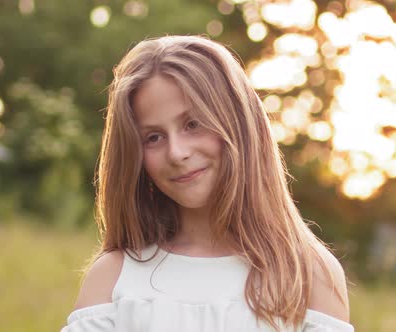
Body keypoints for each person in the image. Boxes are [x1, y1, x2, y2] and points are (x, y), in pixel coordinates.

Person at [60, 35, 353, 332]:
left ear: (239, 122)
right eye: (154, 137)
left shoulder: (310, 276)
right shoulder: (113, 278)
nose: (177, 153)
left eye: (193, 124)